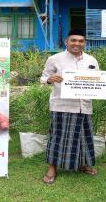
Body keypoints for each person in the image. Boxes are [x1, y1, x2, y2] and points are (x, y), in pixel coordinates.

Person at [40, 29, 100, 184]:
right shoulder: (55, 59)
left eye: (80, 41)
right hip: (61, 105)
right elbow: (43, 77)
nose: (77, 44)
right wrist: (49, 79)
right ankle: (52, 168)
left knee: (83, 137)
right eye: (73, 40)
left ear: (84, 43)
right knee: (57, 137)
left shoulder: (91, 60)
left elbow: (98, 80)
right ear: (67, 41)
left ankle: (83, 164)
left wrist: (105, 85)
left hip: (84, 105)